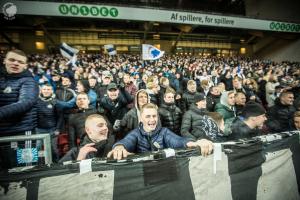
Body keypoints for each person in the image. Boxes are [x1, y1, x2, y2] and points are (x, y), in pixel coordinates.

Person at [107, 103, 214, 160]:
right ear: (141, 119)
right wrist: (119, 147)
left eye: (154, 116)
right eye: (148, 116)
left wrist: (195, 142)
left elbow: (178, 141)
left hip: (164, 172)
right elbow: (127, 141)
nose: (152, 119)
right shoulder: (136, 133)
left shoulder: (164, 132)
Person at [0, 49, 39, 169]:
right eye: (12, 60)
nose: (15, 63)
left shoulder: (29, 81)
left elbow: (26, 102)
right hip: (2, 132)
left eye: (20, 62)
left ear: (25, 65)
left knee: (27, 168)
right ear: (4, 61)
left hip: (23, 133)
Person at [36, 84, 60, 162]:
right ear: (41, 91)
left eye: (48, 89)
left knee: (54, 150)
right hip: (39, 130)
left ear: (52, 91)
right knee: (37, 149)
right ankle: (38, 165)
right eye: (44, 89)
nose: (46, 91)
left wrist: (57, 129)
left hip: (52, 130)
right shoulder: (36, 101)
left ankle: (56, 165)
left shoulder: (55, 102)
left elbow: (60, 117)